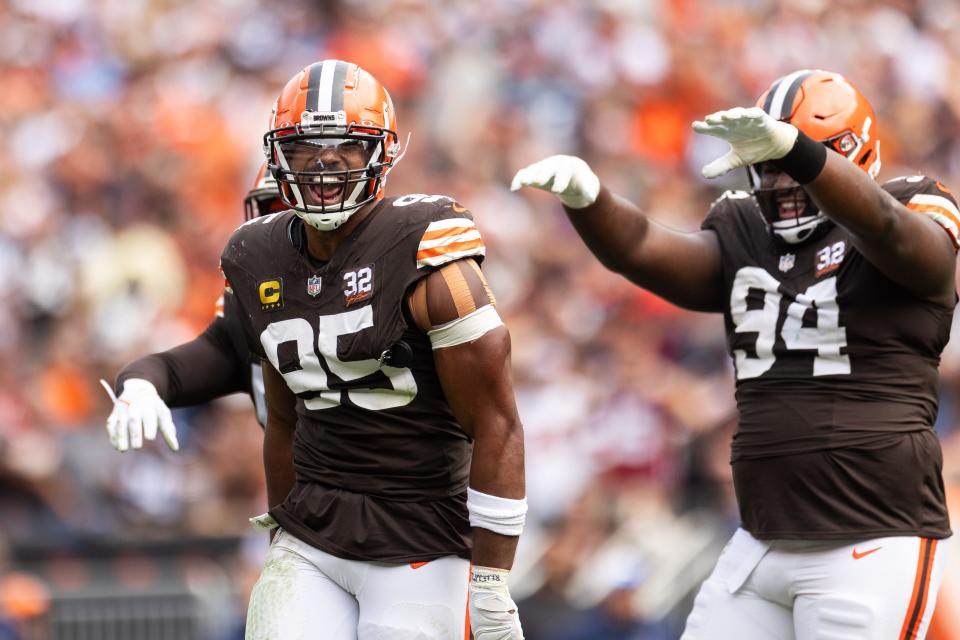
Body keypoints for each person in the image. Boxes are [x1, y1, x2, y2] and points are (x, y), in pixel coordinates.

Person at [512, 69, 954, 639]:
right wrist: (591, 202)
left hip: (870, 539)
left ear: (848, 154)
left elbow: (896, 233)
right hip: (760, 539)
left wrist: (797, 152)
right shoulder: (746, 229)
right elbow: (645, 247)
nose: (780, 183)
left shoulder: (912, 207)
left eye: (791, 163)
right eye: (767, 166)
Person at [220, 59, 526, 640]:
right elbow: (283, 420)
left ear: (380, 153)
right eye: (306, 146)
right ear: (279, 154)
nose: (325, 162)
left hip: (420, 542)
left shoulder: (428, 246)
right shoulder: (254, 255)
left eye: (346, 147)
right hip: (314, 535)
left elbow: (497, 424)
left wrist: (491, 580)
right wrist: (281, 533)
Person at [103, 163, 284, 451]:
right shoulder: (247, 297)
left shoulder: (375, 295)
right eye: (273, 211)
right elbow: (177, 366)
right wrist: (142, 383)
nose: (283, 228)